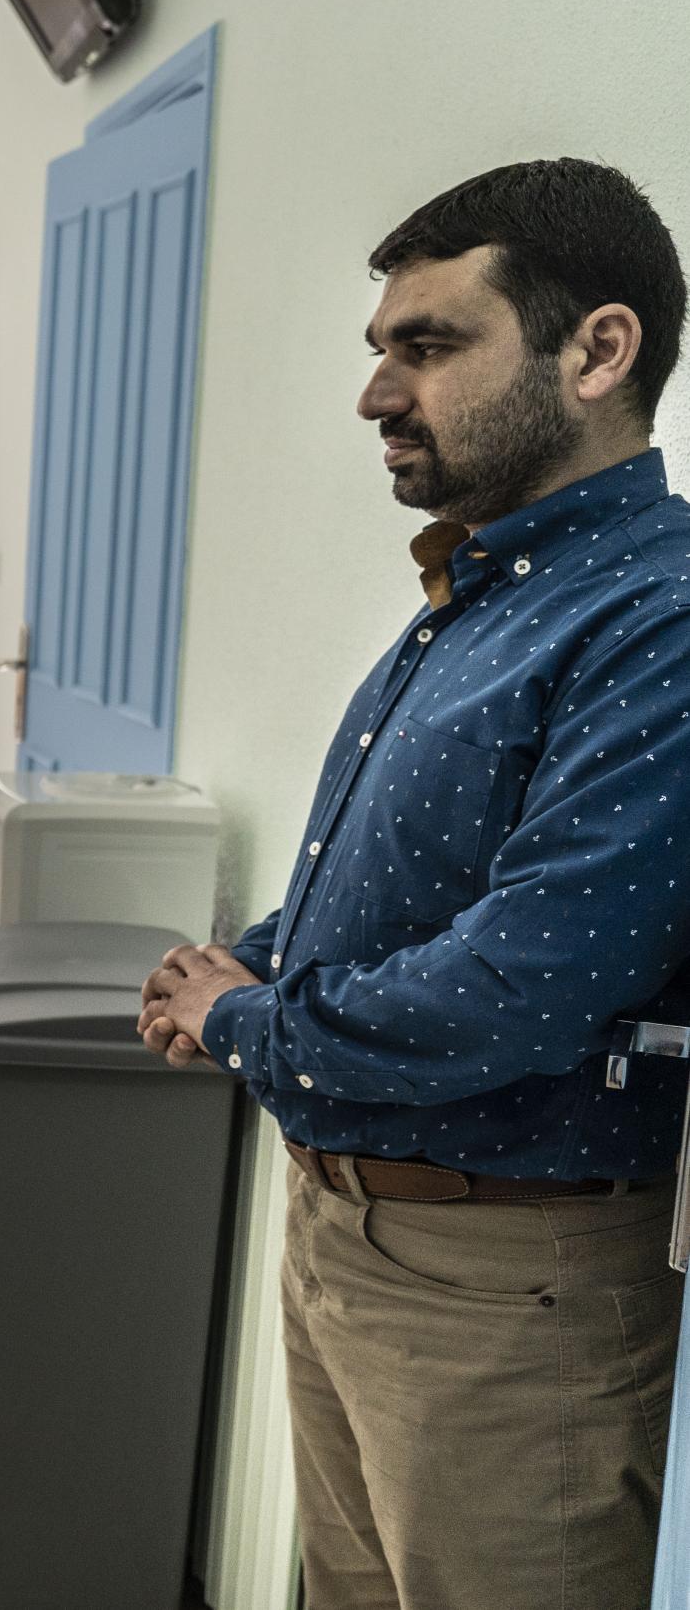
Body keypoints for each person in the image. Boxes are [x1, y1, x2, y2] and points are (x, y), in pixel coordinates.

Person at [137, 159, 690, 1608]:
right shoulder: (483, 596)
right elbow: (400, 884)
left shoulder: (661, 619)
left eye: (428, 346)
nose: (379, 393)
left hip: (515, 1290)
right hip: (348, 1234)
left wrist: (248, 1021)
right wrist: (251, 958)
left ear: (598, 349)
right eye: (382, 350)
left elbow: (531, 979)